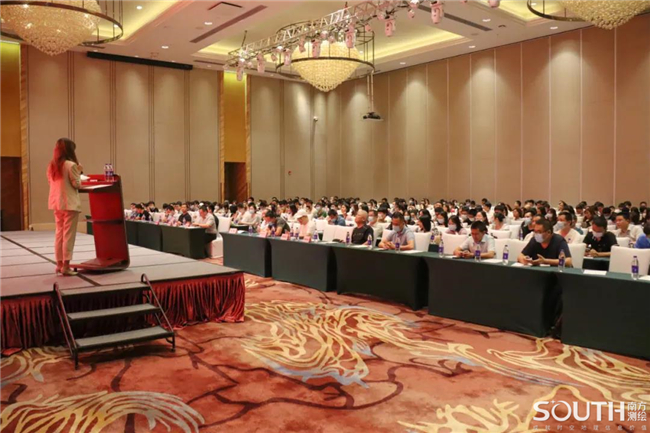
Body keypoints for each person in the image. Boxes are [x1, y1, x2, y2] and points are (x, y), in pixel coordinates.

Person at [47, 138, 83, 276]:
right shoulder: (71, 165)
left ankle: (59, 264)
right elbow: (77, 184)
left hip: (57, 203)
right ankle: (66, 266)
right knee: (68, 235)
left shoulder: (52, 165)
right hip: (70, 204)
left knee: (59, 234)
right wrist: (79, 171)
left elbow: (51, 182)